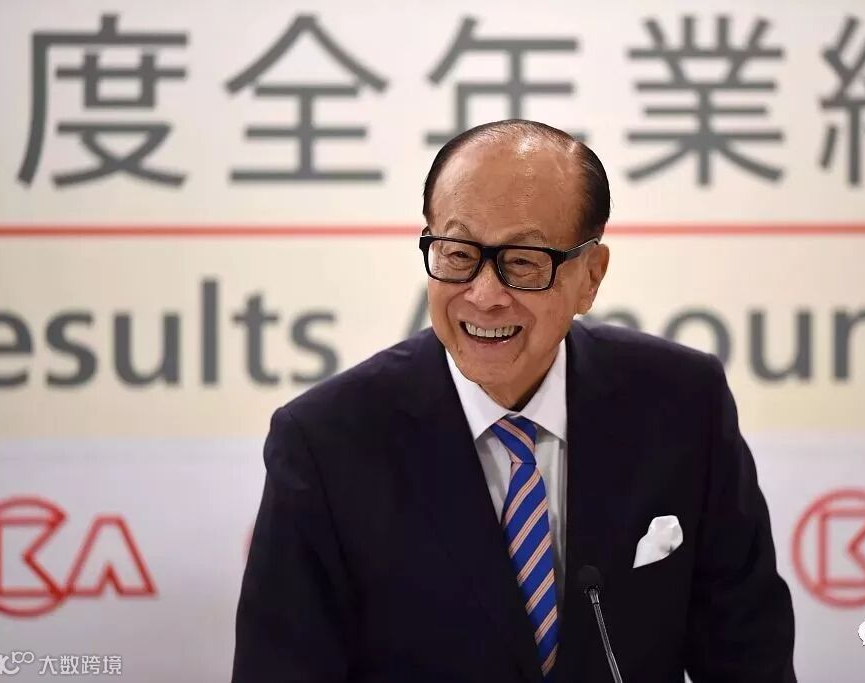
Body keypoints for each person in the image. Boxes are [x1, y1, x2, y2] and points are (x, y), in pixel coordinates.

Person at [232, 119, 796, 682]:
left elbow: (750, 659)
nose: (484, 295)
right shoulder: (327, 442)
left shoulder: (683, 406)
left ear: (591, 276)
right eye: (458, 254)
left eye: (523, 262)